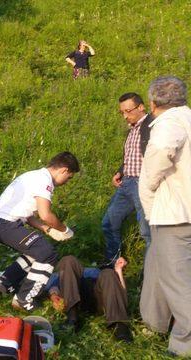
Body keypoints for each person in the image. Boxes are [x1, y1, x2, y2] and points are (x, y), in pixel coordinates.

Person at [139, 76, 191, 357]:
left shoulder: (169, 123)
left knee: (179, 281)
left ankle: (185, 344)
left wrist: (147, 192)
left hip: (175, 214)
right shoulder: (188, 118)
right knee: (157, 268)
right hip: (176, 212)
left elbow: (157, 161)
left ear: (152, 102)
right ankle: (154, 323)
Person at [0, 152, 79, 311]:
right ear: (64, 170)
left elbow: (29, 215)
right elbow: (45, 214)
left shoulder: (34, 175)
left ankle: (4, 283)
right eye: (69, 177)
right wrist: (64, 230)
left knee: (37, 250)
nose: (67, 182)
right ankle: (24, 299)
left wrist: (47, 229)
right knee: (47, 253)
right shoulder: (45, 181)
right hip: (6, 224)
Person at [102, 93, 153, 264]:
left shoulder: (152, 126)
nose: (125, 116)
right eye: (121, 112)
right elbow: (132, 156)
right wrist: (120, 171)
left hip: (143, 183)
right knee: (109, 222)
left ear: (141, 107)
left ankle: (150, 273)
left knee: (147, 232)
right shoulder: (133, 128)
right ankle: (114, 264)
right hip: (127, 182)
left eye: (128, 111)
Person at [45, 255, 132, 342]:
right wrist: (53, 294)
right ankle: (72, 318)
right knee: (67, 260)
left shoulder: (100, 272)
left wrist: (118, 271)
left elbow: (120, 293)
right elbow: (54, 281)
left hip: (101, 298)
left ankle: (119, 326)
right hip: (76, 298)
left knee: (108, 273)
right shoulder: (68, 266)